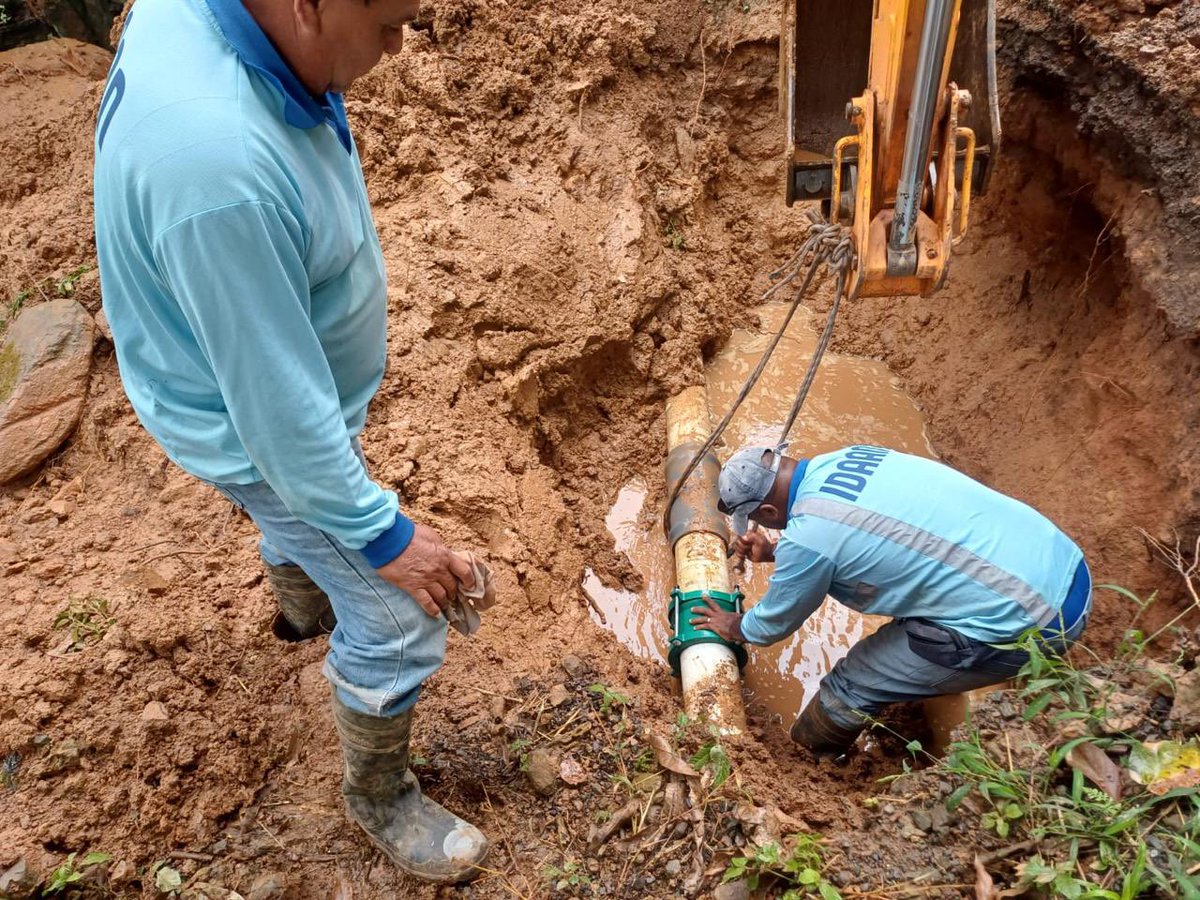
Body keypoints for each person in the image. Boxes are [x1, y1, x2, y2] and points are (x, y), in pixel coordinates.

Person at [92, 0, 489, 882]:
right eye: (389, 24)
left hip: (249, 375)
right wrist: (390, 542)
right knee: (395, 622)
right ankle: (379, 796)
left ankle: (301, 603)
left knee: (307, 519)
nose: (400, 43)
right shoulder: (216, 167)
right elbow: (280, 422)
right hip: (249, 421)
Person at [690, 444, 1090, 755]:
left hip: (1036, 622)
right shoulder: (850, 457)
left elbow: (772, 624)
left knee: (851, 683)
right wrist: (780, 551)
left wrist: (733, 624)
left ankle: (811, 760)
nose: (762, 526)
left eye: (761, 519)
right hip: (1064, 566)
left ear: (768, 509)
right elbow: (877, 535)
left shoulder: (810, 540)